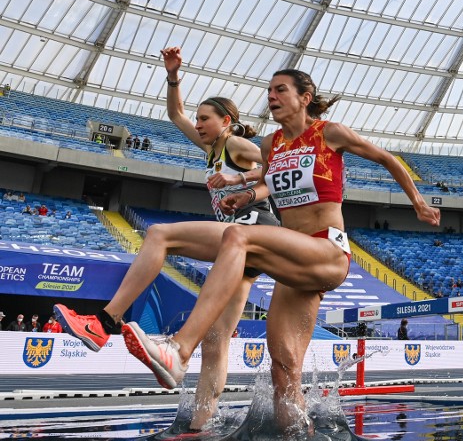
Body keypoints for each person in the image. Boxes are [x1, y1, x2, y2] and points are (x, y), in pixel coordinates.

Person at [115, 68, 440, 432]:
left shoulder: (328, 133)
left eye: (280, 90)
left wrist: (418, 203)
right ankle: (298, 433)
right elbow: (268, 176)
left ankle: (178, 350)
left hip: (326, 250)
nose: (271, 95)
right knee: (283, 369)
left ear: (305, 97)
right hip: (293, 262)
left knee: (239, 236)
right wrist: (244, 189)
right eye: (268, 90)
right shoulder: (272, 144)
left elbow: (387, 159)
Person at [54, 45, 278, 433]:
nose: (198, 123)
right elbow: (175, 114)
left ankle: (105, 321)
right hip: (242, 250)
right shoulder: (212, 149)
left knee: (158, 234)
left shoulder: (237, 146)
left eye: (205, 118)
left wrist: (238, 182)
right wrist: (174, 75)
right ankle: (201, 424)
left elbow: (274, 174)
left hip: (255, 231)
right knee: (216, 339)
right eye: (199, 118)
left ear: (227, 121)